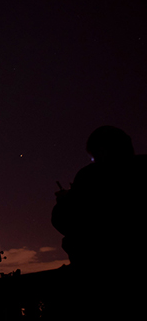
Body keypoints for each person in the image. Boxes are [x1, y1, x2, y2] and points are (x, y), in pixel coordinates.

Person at [51, 126, 146, 316]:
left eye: (94, 155)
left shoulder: (91, 176)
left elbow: (65, 220)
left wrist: (64, 201)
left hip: (99, 273)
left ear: (101, 150)